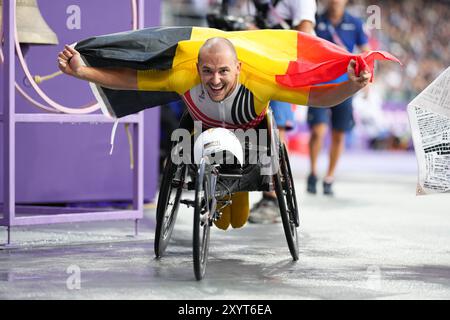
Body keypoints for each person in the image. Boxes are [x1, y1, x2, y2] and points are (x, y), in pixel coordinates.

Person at [57, 27, 397, 230]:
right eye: (207, 71)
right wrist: (82, 72)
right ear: (198, 68)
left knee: (235, 219)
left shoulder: (262, 81)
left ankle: (234, 191)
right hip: (206, 138)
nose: (215, 80)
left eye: (223, 71)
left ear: (237, 67)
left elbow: (319, 99)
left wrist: (352, 86)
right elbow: (132, 79)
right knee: (221, 221)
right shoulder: (182, 76)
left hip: (252, 140)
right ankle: (216, 191)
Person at [242, 0, 318, 224]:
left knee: (274, 132)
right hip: (252, 64)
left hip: (282, 70)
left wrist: (262, 36)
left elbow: (303, 40)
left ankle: (272, 197)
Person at [306, 0, 370, 196]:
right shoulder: (315, 20)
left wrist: (367, 76)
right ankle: (313, 172)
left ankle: (329, 177)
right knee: (318, 130)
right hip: (318, 83)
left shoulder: (356, 23)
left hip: (345, 86)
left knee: (339, 133)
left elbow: (366, 50)